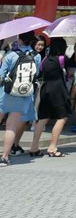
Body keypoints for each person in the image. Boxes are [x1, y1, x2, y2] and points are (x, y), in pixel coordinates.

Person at [0, 32, 42, 166]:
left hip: (5, 93)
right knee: (11, 126)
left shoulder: (10, 55)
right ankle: (5, 157)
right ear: (32, 41)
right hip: (23, 93)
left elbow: (1, 75)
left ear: (19, 39)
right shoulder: (37, 56)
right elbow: (36, 74)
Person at [27, 37, 71, 157]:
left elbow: (40, 73)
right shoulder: (62, 59)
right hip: (58, 90)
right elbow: (75, 63)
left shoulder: (45, 59)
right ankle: (52, 147)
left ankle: (34, 147)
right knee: (62, 117)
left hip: (45, 89)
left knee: (43, 118)